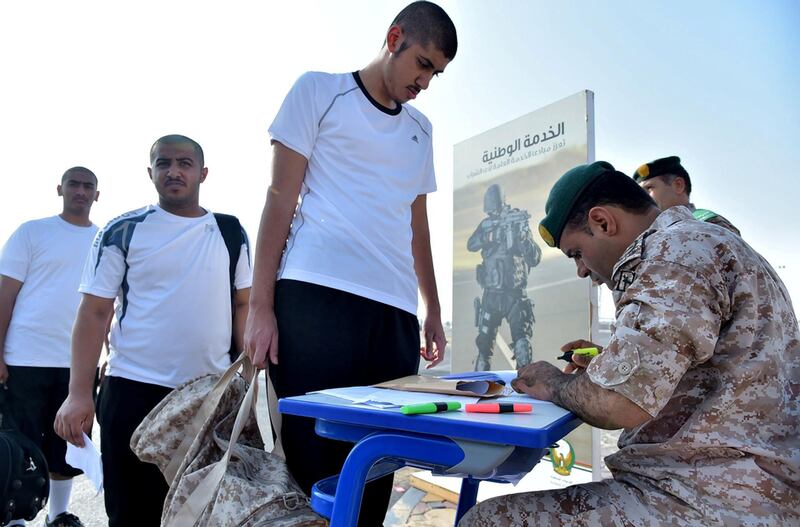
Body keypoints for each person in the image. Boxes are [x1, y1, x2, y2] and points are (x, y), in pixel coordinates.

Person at [461, 161, 799, 526]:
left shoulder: (675, 252)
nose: (581, 271)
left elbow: (618, 402)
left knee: (486, 521)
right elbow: (707, 372)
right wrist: (609, 362)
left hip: (709, 496)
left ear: (603, 222)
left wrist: (553, 382)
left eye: (576, 253)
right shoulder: (703, 242)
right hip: (739, 487)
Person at [243, 2, 456, 525]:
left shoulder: (421, 130)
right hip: (316, 297)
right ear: (394, 37)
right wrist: (260, 307)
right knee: (312, 466)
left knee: (378, 464)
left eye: (437, 73)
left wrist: (431, 308)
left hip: (395, 316)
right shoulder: (318, 90)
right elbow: (278, 199)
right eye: (423, 64)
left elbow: (418, 226)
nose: (425, 82)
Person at [54, 135, 252, 527]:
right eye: (163, 163)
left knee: (202, 515)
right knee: (131, 515)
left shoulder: (230, 231)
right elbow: (94, 313)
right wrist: (78, 393)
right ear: (151, 172)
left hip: (210, 397)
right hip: (132, 393)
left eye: (184, 163)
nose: (174, 172)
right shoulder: (121, 230)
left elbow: (244, 306)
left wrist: (250, 382)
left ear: (203, 173)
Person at [0, 167, 99, 527]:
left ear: (96, 195)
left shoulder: (105, 240)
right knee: (20, 443)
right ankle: (14, 519)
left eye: (88, 186)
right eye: (74, 184)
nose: (81, 191)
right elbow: (5, 294)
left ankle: (59, 516)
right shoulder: (32, 232)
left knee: (69, 445)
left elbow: (110, 308)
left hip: (77, 363)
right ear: (60, 188)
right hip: (24, 357)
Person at [467, 183, 541, 371]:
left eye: (494, 210)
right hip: (490, 294)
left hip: (514, 295)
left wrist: (522, 239)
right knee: (484, 346)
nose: (492, 214)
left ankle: (525, 386)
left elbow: (534, 258)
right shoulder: (486, 226)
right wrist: (492, 236)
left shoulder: (516, 223)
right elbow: (472, 244)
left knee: (522, 345)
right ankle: (479, 388)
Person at [633, 155, 741, 235]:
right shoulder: (651, 233)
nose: (644, 197)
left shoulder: (707, 222)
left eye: (649, 188)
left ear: (678, 185)